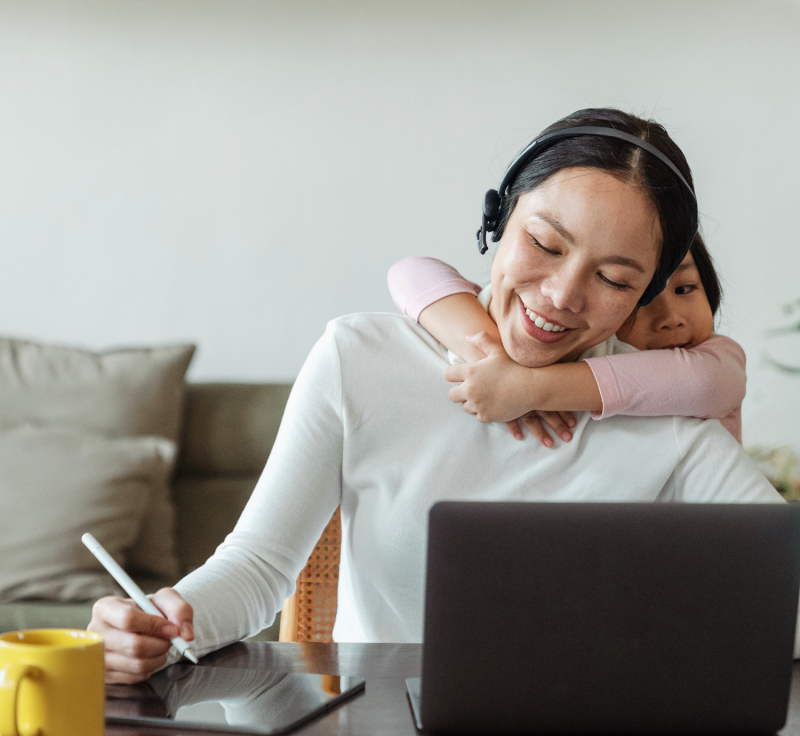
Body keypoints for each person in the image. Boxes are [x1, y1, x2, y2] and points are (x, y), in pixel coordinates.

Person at [89, 108, 783, 684]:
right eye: (544, 243)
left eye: (614, 278)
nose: (563, 296)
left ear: (645, 292)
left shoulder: (666, 420)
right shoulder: (359, 360)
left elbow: (784, 585)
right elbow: (259, 569)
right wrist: (162, 617)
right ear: (499, 221)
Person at [387, 233, 746, 445]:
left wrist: (529, 386)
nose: (671, 320)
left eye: (686, 288)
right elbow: (411, 272)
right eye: (641, 301)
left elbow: (705, 383)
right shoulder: (578, 346)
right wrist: (494, 361)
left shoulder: (717, 358)